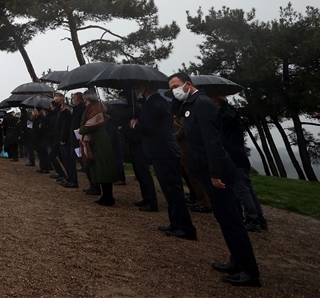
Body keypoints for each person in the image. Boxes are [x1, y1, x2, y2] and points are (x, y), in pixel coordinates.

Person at [171, 72, 260, 287]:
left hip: (216, 172)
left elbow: (212, 142)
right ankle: (236, 260)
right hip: (204, 170)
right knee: (224, 220)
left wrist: (215, 173)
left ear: (188, 84)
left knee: (231, 220)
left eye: (175, 85)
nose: (173, 90)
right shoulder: (190, 105)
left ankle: (249, 271)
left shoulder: (202, 104)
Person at [131, 83, 195, 238]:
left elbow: (149, 128)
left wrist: (135, 125)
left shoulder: (152, 104)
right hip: (165, 149)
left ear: (144, 88)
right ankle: (175, 223)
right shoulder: (159, 101)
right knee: (170, 190)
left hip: (163, 150)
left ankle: (185, 228)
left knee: (173, 190)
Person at [212, 94, 267, 231]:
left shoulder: (223, 117)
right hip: (240, 156)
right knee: (248, 188)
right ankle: (259, 219)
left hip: (232, 158)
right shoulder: (232, 114)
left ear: (217, 103)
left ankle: (252, 220)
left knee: (241, 190)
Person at [78, 90, 116, 206]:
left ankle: (109, 196)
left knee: (103, 168)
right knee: (99, 169)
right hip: (95, 141)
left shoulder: (95, 108)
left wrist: (81, 130)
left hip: (100, 141)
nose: (84, 100)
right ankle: (104, 195)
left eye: (85, 97)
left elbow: (92, 123)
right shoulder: (91, 108)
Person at [53, 94, 78, 188]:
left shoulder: (66, 111)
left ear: (62, 100)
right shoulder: (60, 111)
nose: (56, 102)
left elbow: (66, 125)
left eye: (57, 100)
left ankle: (73, 179)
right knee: (65, 160)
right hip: (61, 138)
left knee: (69, 160)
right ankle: (69, 177)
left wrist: (63, 138)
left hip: (66, 139)